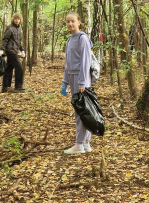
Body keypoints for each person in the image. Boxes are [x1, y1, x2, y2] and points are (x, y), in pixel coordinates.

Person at [61, 12, 93, 154]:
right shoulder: (69, 40)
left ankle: (79, 144)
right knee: (81, 110)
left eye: (73, 21)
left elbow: (85, 62)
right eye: (68, 22)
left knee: (81, 111)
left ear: (79, 22)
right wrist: (65, 82)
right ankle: (86, 143)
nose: (70, 24)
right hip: (73, 78)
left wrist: (82, 83)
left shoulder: (83, 39)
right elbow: (68, 63)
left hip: (82, 80)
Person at [0, 13, 25, 93]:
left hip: (14, 50)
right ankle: (18, 87)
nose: (17, 21)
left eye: (18, 19)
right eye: (15, 19)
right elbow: (5, 39)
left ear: (20, 20)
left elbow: (18, 42)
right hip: (10, 51)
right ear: (13, 20)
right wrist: (2, 49)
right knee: (19, 67)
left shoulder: (19, 29)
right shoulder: (9, 28)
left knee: (8, 69)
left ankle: (5, 87)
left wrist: (22, 50)